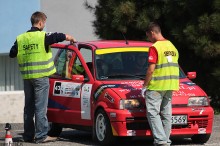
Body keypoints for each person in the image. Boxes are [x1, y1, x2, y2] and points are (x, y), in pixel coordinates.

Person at [9, 11, 76, 143]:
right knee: (40, 107)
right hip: (41, 78)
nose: (44, 25)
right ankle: (41, 136)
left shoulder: (21, 38)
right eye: (44, 23)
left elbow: (12, 53)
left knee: (28, 108)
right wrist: (70, 38)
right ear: (40, 23)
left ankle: (28, 135)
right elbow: (57, 36)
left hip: (27, 77)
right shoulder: (42, 36)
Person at [142, 22, 179, 146]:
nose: (149, 39)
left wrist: (145, 85)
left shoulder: (155, 47)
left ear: (152, 33)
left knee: (152, 113)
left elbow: (151, 69)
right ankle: (166, 139)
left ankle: (161, 140)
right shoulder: (172, 46)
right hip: (170, 85)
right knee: (166, 113)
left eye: (148, 36)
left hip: (157, 86)